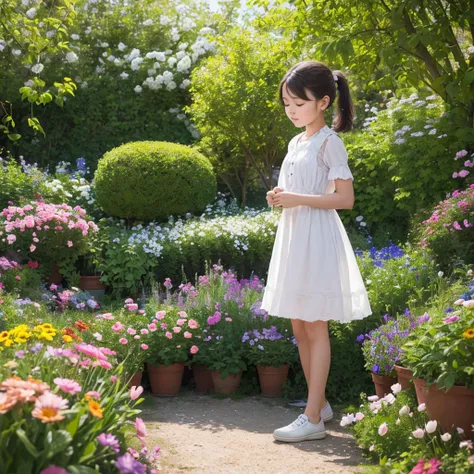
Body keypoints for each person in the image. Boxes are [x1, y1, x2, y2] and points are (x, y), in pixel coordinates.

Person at [261, 60, 372, 442]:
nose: (291, 111)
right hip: (295, 236)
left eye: (298, 103)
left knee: (315, 324)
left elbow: (344, 198)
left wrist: (296, 198)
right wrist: (280, 197)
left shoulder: (330, 142)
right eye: (287, 104)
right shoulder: (297, 142)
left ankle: (313, 420)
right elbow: (296, 190)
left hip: (317, 238)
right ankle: (318, 404)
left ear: (324, 102)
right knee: (298, 322)